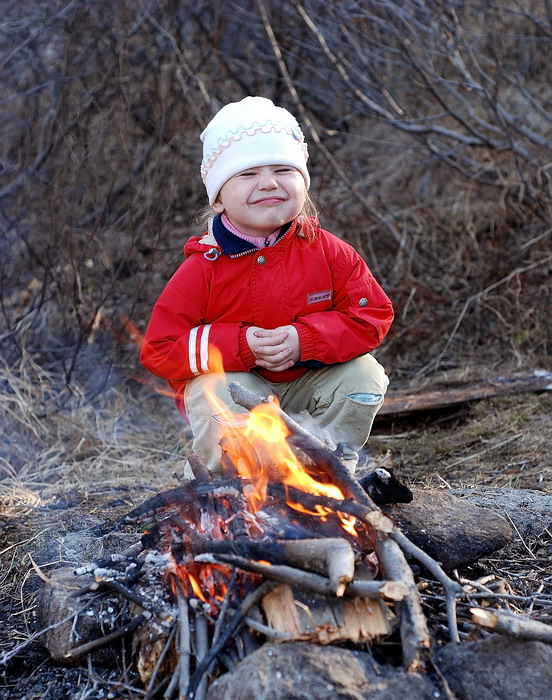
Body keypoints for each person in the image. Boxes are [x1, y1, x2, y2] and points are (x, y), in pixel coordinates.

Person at [140, 96, 394, 476]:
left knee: (366, 374)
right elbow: (160, 349)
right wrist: (240, 346)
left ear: (303, 183)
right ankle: (230, 481)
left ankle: (327, 469)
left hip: (311, 385)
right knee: (213, 390)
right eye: (247, 174)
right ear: (219, 198)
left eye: (283, 170)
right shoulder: (203, 268)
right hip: (244, 394)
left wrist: (303, 340)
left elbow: (373, 315)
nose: (269, 183)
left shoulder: (329, 251)